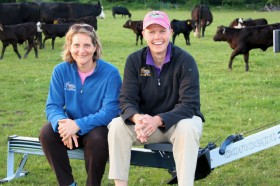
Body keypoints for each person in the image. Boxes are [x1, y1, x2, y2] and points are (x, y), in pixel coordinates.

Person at [108, 11, 205, 186]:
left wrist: (158, 120)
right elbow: (126, 100)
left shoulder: (185, 61)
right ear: (143, 34)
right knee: (116, 125)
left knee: (189, 127)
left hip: (177, 123)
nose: (157, 37)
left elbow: (190, 105)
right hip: (145, 127)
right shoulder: (134, 61)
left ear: (171, 31)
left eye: (162, 30)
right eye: (151, 32)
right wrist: (138, 119)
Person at [39, 23, 122, 186]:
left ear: (95, 47)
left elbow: (110, 111)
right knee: (47, 132)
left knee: (97, 138)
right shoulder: (61, 71)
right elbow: (52, 106)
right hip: (70, 129)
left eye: (87, 45)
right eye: (76, 45)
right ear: (69, 47)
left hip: (97, 127)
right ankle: (67, 183)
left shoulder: (111, 73)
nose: (81, 51)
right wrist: (63, 124)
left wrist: (78, 125)